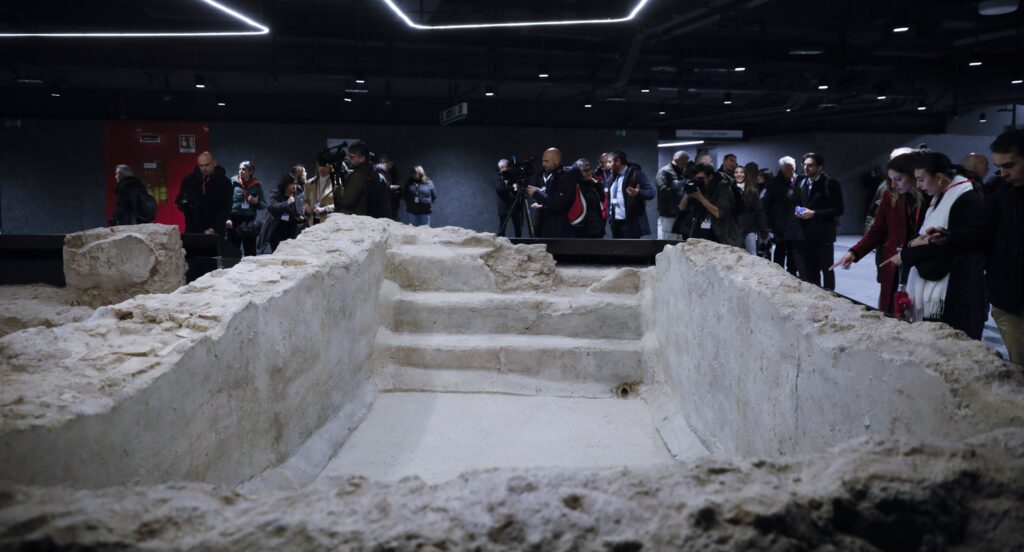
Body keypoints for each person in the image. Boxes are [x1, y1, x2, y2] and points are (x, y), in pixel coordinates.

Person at [884, 151, 987, 339]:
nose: (919, 185)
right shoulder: (937, 197)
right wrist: (914, 243)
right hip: (935, 281)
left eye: (922, 180)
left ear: (939, 178)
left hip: (955, 291)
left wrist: (908, 254)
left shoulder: (967, 199)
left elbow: (955, 243)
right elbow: (922, 236)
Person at [833, 153, 925, 315]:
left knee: (915, 314)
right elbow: (877, 230)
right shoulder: (890, 196)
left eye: (898, 179)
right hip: (892, 265)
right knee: (890, 312)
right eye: (890, 179)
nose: (894, 184)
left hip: (918, 266)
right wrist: (854, 252)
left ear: (913, 175)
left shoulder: (928, 198)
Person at [985, 129, 1024, 363]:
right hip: (1010, 303)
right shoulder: (1000, 193)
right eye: (998, 166)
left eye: (1009, 165)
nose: (1003, 173)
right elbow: (981, 233)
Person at [795, 152, 845, 291]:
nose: (806, 168)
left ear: (819, 167)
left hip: (824, 235)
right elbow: (797, 203)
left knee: (827, 270)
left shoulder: (830, 183)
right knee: (810, 271)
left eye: (810, 165)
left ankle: (830, 299)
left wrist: (815, 213)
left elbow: (839, 209)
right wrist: (797, 211)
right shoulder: (801, 183)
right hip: (806, 235)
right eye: (804, 165)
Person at [674, 162, 742, 247]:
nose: (699, 181)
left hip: (721, 234)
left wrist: (700, 197)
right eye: (696, 178)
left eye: (701, 179)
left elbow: (719, 213)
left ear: (710, 177)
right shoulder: (698, 187)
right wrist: (689, 191)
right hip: (701, 232)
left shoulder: (723, 187)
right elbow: (681, 208)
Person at [762, 156, 803, 275]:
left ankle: (792, 274)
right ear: (782, 169)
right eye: (789, 169)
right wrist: (769, 226)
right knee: (780, 252)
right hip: (780, 226)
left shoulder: (797, 182)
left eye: (793, 168)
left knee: (793, 254)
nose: (792, 171)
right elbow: (767, 206)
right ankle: (778, 275)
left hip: (794, 225)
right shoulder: (774, 184)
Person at [175, 151, 233, 235]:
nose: (203, 168)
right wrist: (182, 203)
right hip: (193, 227)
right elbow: (182, 201)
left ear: (215, 163)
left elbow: (226, 208)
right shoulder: (189, 180)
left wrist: (214, 228)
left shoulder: (225, 183)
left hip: (215, 229)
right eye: (201, 165)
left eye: (206, 165)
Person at [527, 148, 577, 238]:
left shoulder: (567, 178)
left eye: (546, 161)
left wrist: (537, 194)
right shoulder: (552, 176)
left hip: (562, 231)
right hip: (550, 228)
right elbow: (550, 196)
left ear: (556, 160)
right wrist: (539, 191)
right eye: (543, 161)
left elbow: (557, 204)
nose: (543, 164)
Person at [605, 150, 655, 238]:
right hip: (615, 224)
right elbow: (609, 199)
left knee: (631, 250)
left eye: (610, 162)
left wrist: (638, 192)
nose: (607, 165)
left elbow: (651, 193)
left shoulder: (636, 174)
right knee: (617, 250)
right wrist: (610, 218)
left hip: (631, 224)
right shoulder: (612, 177)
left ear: (618, 162)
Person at [225, 161, 266, 257]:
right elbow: (225, 203)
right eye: (240, 169)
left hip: (249, 222)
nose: (241, 171)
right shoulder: (232, 183)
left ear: (250, 171)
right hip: (234, 222)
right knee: (232, 252)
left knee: (250, 252)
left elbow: (264, 205)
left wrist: (256, 202)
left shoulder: (256, 185)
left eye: (244, 169)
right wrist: (227, 219)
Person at [259, 173, 307, 253]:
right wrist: (287, 202)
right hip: (276, 231)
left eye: (296, 183)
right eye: (292, 183)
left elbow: (299, 212)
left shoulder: (297, 196)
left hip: (291, 232)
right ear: (286, 184)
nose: (294, 186)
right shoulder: (276, 194)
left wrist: (301, 218)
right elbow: (271, 207)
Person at [736, 162, 768, 255]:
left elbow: (759, 212)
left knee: (749, 256)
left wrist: (763, 231)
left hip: (746, 227)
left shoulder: (752, 191)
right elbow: (759, 212)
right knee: (751, 255)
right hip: (742, 227)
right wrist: (763, 231)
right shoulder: (732, 188)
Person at [655, 151, 688, 240]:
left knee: (679, 238)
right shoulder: (664, 172)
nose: (685, 164)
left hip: (680, 211)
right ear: (677, 159)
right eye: (684, 161)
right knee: (669, 238)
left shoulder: (682, 172)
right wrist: (679, 188)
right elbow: (662, 190)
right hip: (668, 212)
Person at [334, 141, 372, 216]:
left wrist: (337, 190)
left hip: (355, 221)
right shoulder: (370, 171)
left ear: (362, 158)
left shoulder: (359, 175)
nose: (348, 159)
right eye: (348, 156)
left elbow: (347, 201)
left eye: (352, 157)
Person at [573, 158, 606, 239]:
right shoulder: (575, 186)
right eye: (585, 170)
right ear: (578, 173)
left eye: (589, 169)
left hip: (597, 228)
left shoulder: (594, 184)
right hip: (581, 229)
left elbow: (602, 199)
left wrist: (598, 186)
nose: (589, 172)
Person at [495, 159, 523, 238]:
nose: (508, 168)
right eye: (507, 167)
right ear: (502, 167)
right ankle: (501, 243)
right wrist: (512, 187)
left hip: (514, 205)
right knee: (502, 226)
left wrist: (517, 187)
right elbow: (499, 188)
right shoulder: (497, 176)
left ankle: (519, 242)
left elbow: (518, 187)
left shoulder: (512, 176)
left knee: (518, 226)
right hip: (503, 206)